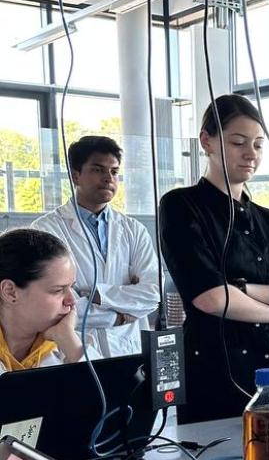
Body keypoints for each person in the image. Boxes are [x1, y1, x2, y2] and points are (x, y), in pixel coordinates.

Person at [159, 95, 269, 424]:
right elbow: (210, 298)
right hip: (218, 376)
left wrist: (242, 289)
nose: (251, 154)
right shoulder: (181, 206)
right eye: (238, 142)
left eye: (259, 145)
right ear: (207, 141)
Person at [32, 135, 161, 358]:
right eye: (98, 170)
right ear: (75, 175)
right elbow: (55, 306)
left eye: (114, 172)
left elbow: (153, 293)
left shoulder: (133, 229)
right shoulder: (46, 230)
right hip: (72, 351)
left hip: (128, 349)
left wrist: (96, 294)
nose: (108, 178)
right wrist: (117, 316)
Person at [0, 230, 84, 373]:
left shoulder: (68, 344)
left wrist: (71, 344)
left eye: (71, 287)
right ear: (10, 292)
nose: (71, 301)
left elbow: (108, 393)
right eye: (58, 290)